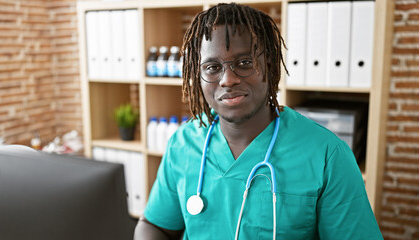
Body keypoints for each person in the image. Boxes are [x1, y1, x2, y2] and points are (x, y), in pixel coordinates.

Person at [135, 3, 382, 239]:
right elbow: (154, 225)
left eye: (244, 63)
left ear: (270, 66)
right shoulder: (183, 142)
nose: (227, 80)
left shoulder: (327, 155)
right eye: (212, 67)